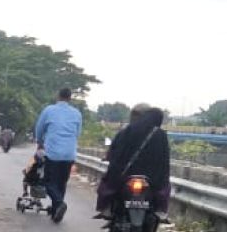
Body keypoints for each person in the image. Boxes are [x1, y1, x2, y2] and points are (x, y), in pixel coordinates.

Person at [95, 106, 171, 218]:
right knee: (164, 186)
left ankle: (106, 208)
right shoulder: (161, 134)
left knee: (108, 182)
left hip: (125, 174)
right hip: (152, 177)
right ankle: (160, 210)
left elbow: (116, 150)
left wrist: (110, 159)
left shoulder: (127, 131)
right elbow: (164, 158)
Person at [33, 88, 83, 223]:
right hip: (69, 154)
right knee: (62, 183)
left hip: (53, 152)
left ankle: (59, 203)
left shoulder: (49, 110)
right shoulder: (77, 113)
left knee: (48, 182)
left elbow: (39, 129)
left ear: (58, 96)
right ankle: (56, 211)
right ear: (70, 98)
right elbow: (77, 134)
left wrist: (39, 142)